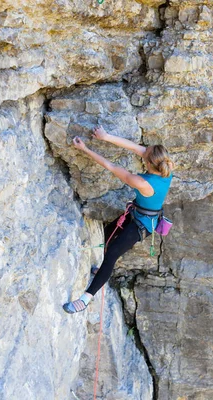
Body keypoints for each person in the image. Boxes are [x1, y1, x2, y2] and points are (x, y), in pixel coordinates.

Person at [63, 125, 174, 314]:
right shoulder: (167, 167)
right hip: (137, 214)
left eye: (144, 154)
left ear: (148, 163)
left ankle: (86, 298)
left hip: (142, 226)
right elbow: (133, 147)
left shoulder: (142, 182)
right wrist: (105, 136)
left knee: (112, 253)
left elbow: (111, 166)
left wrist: (85, 149)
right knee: (106, 236)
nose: (141, 152)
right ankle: (102, 270)